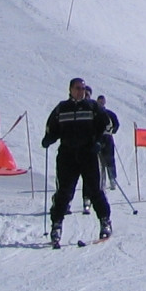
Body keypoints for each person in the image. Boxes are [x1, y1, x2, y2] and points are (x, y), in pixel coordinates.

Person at [42, 77, 111, 247]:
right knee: (64, 191)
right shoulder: (62, 108)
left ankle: (105, 221)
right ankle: (56, 224)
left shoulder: (92, 107)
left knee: (94, 190)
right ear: (71, 90)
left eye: (83, 88)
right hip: (67, 155)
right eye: (78, 88)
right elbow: (52, 127)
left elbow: (106, 126)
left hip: (88, 154)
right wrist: (49, 138)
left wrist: (99, 143)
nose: (81, 91)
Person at [94, 93, 121, 190]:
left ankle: (112, 178)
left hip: (107, 137)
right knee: (98, 161)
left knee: (109, 159)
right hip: (98, 137)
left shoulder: (109, 113)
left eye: (102, 101)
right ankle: (102, 181)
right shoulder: (94, 113)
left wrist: (113, 131)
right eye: (99, 101)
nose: (101, 103)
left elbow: (116, 124)